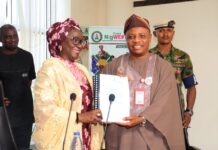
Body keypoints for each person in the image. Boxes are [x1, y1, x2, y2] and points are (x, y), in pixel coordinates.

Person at [102, 14, 185, 150]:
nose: (136, 41)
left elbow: (165, 102)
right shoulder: (113, 66)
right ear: (126, 39)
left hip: (152, 133)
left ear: (150, 38)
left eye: (142, 36)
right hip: (120, 135)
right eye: (131, 37)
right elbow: (103, 99)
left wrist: (143, 117)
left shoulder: (163, 67)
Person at [32, 18, 103, 150]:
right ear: (60, 41)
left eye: (81, 41)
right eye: (75, 40)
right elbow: (44, 111)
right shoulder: (50, 68)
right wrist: (81, 117)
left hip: (86, 134)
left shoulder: (81, 69)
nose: (80, 45)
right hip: (66, 140)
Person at [150, 20, 197, 128]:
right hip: (152, 112)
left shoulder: (183, 57)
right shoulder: (148, 56)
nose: (166, 34)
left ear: (173, 33)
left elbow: (191, 87)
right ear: (154, 34)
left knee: (177, 144)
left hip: (176, 111)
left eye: (169, 31)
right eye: (161, 31)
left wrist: (188, 111)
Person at [0, 24, 36, 149]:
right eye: (8, 37)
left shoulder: (27, 57)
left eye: (15, 36)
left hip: (24, 115)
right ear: (1, 39)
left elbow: (29, 81)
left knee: (23, 147)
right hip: (3, 115)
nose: (13, 39)